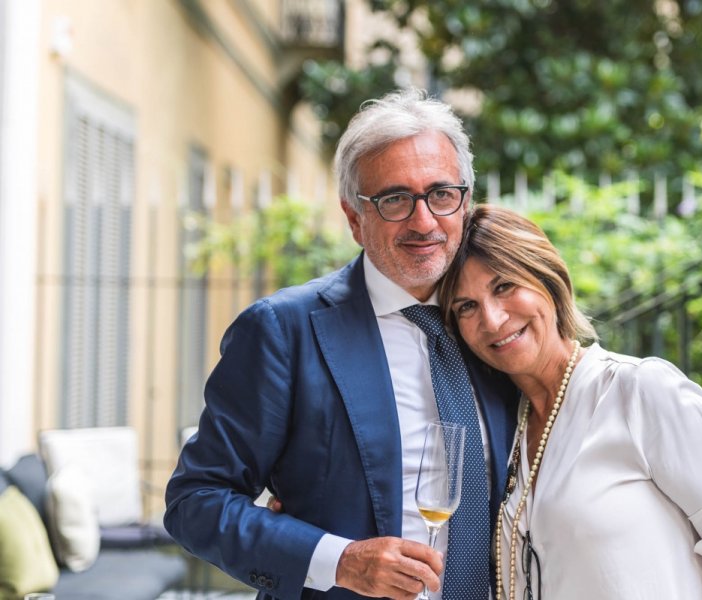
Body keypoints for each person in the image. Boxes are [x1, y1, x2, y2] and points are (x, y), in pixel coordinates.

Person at [164, 89, 517, 600]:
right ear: (355, 218)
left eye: (441, 194)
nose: (423, 222)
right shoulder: (284, 331)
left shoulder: (502, 326)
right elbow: (195, 502)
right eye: (395, 199)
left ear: (464, 203)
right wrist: (339, 560)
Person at [436, 204, 702, 599]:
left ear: (547, 280)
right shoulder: (505, 429)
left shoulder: (639, 391)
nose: (494, 319)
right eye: (467, 306)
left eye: (504, 286)